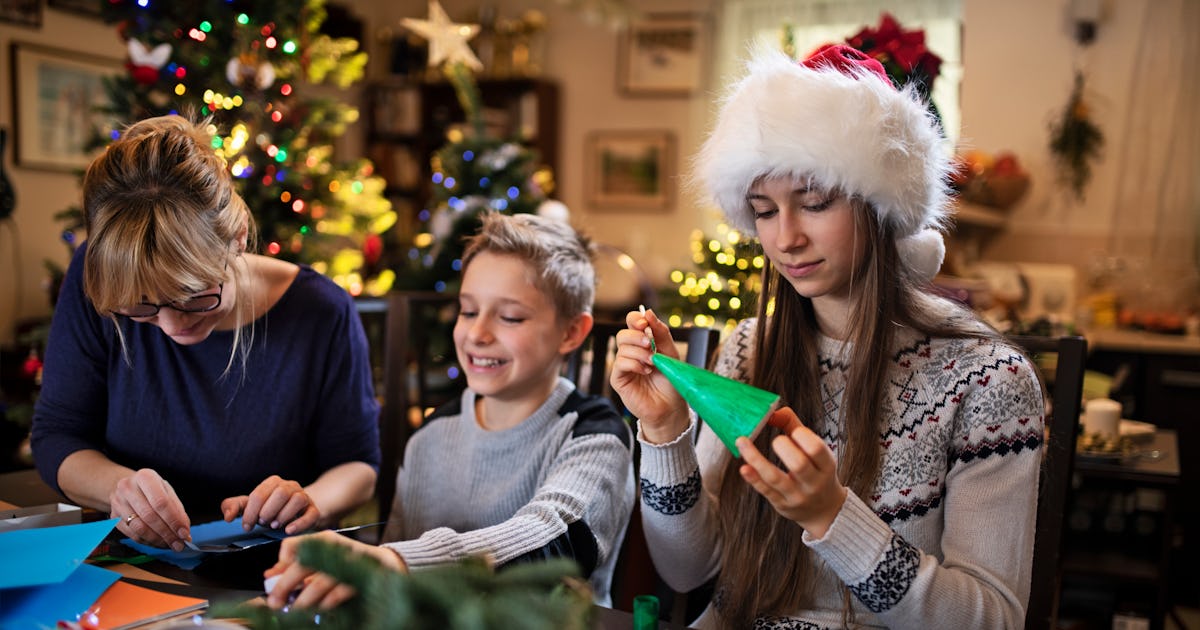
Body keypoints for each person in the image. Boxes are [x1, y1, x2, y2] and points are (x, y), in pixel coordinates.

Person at [610, 45, 1046, 629]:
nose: (785, 238)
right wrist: (664, 435)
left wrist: (834, 517)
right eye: (764, 211)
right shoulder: (749, 349)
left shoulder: (986, 379)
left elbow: (992, 619)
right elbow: (686, 570)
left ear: (880, 205)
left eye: (814, 203)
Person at [31, 114, 380, 553]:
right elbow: (57, 436)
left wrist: (311, 500)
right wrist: (117, 488)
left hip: (274, 569)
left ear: (236, 239)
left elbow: (358, 466)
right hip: (131, 567)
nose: (174, 326)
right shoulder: (96, 278)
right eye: (141, 306)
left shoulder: (321, 312)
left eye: (193, 295)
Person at [264, 211, 636, 610]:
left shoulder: (596, 434)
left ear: (571, 332)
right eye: (468, 311)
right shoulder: (430, 436)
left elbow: (558, 540)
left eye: (510, 317)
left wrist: (396, 561)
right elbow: (392, 579)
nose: (477, 334)